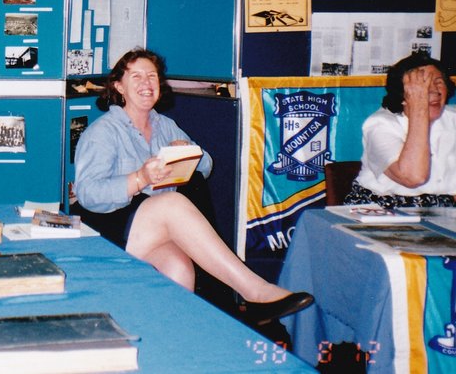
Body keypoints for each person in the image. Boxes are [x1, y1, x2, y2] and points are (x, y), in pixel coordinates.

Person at [73, 48, 313, 325]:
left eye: (152, 76)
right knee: (170, 204)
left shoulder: (165, 125)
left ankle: (167, 347)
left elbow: (206, 165)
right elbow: (88, 194)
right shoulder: (104, 131)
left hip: (152, 229)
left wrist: (188, 151)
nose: (146, 83)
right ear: (118, 86)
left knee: (179, 271)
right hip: (110, 225)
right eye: (136, 76)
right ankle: (254, 291)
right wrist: (140, 178)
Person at [344, 53, 456, 208]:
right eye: (423, 86)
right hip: (378, 210)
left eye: (439, 82)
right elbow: (413, 177)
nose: (434, 91)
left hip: (439, 213)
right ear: (402, 95)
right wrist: (419, 109)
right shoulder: (379, 125)